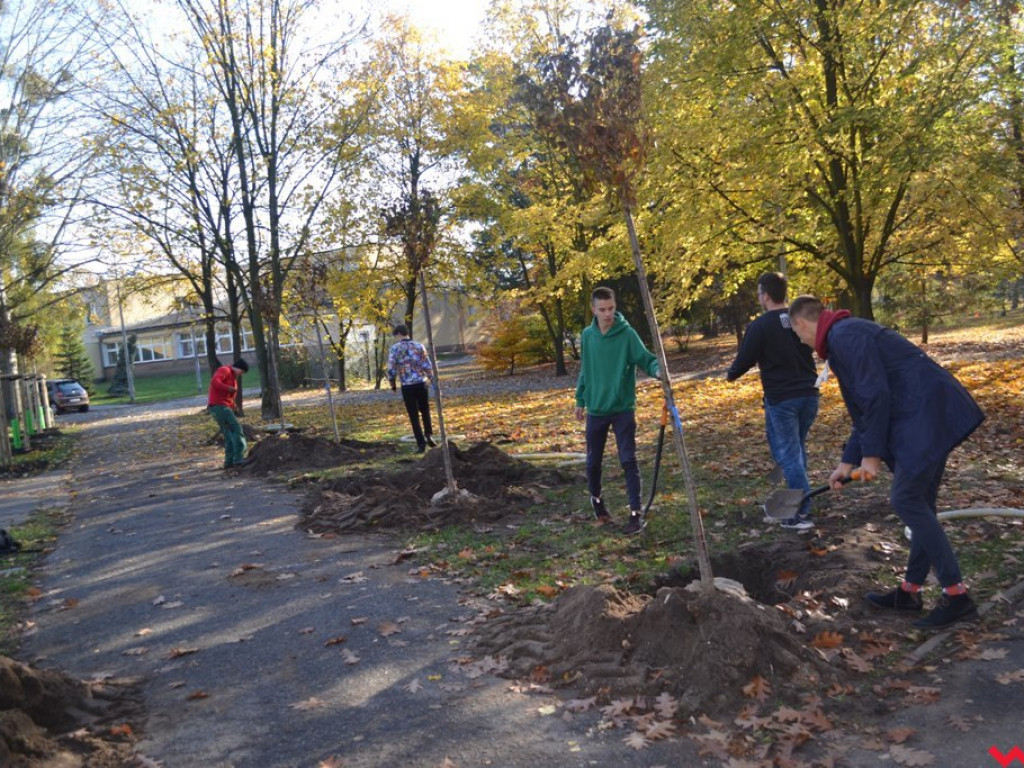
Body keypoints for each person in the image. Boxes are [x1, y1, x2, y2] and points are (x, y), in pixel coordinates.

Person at [788, 296, 984, 629]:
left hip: (925, 417)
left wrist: (871, 456)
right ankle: (910, 592)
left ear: (802, 324)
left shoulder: (844, 336)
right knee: (919, 504)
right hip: (925, 417)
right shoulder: (842, 337)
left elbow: (876, 396)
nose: (802, 342)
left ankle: (957, 595)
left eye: (798, 334)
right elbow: (865, 409)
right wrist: (847, 462)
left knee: (905, 499)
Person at [727, 272, 820, 531]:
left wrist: (731, 374)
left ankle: (799, 512)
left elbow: (744, 360)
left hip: (783, 399)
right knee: (796, 450)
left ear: (766, 296)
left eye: (759, 294)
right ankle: (795, 501)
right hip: (809, 394)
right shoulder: (798, 319)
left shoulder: (760, 326)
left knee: (787, 454)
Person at [574, 286, 661, 535]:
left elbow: (646, 358)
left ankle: (635, 513)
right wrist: (580, 399)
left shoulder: (627, 334)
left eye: (611, 308)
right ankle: (597, 501)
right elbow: (585, 370)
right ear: (594, 310)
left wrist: (657, 370)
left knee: (627, 459)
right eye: (602, 309)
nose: (608, 314)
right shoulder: (588, 336)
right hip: (596, 408)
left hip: (622, 407)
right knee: (593, 462)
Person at [386, 325, 437, 453]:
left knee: (413, 415)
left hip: (407, 386)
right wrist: (432, 380)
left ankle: (421, 444)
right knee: (425, 410)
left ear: (398, 334)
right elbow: (427, 365)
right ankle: (429, 435)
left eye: (395, 336)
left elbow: (391, 368)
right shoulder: (419, 346)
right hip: (421, 383)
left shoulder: (394, 349)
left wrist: (392, 383)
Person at [208, 358, 249, 469]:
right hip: (219, 406)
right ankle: (238, 459)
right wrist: (228, 388)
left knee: (229, 434)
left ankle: (229, 462)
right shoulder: (225, 370)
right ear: (238, 368)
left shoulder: (233, 378)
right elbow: (215, 382)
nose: (240, 375)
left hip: (223, 407)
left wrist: (234, 406)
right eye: (241, 372)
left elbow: (228, 396)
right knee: (237, 429)